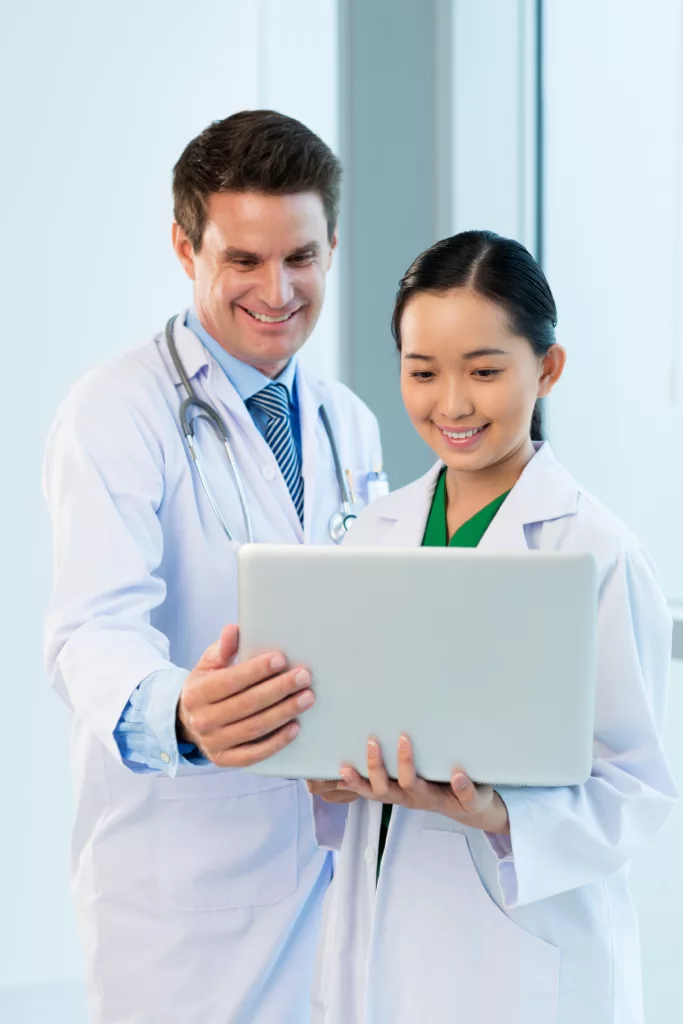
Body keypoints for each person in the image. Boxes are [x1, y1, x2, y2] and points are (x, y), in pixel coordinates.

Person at [43, 110, 382, 1024]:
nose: (278, 290)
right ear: (184, 247)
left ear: (331, 245)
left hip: (335, 870)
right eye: (243, 260)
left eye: (301, 257)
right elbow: (91, 628)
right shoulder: (117, 411)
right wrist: (180, 714)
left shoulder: (347, 422)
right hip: (185, 896)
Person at [308, 230, 677, 1024]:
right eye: (421, 372)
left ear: (546, 369)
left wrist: (497, 813)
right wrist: (321, 762)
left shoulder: (596, 551)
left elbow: (635, 789)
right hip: (382, 940)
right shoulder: (373, 531)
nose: (451, 404)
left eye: (483, 371)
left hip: (524, 963)